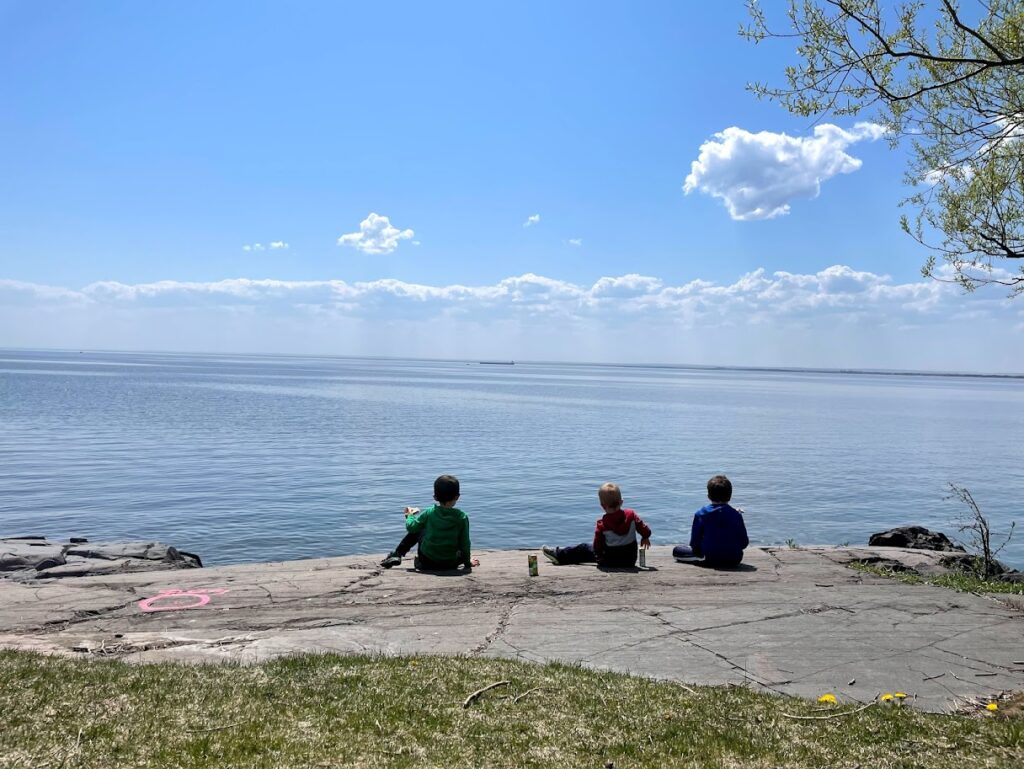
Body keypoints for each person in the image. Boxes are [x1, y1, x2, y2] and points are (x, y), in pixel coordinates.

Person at [380, 474, 478, 572]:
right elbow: (465, 543)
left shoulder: (429, 513)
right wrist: (467, 564)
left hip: (428, 561)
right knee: (458, 544)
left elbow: (411, 528)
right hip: (450, 562)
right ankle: (456, 560)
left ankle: (398, 554)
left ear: (435, 497)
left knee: (419, 528)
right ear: (457, 497)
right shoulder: (462, 517)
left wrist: (409, 516)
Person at [541, 483, 651, 567]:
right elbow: (643, 528)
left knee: (583, 548)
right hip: (629, 560)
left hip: (609, 561)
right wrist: (645, 537)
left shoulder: (602, 524)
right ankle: (561, 555)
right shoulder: (631, 515)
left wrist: (599, 558)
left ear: (602, 506)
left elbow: (597, 546)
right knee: (587, 550)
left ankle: (559, 555)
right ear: (621, 502)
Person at [673, 474, 748, 568]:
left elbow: (694, 544)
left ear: (708, 496)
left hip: (710, 559)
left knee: (677, 550)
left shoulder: (701, 514)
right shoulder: (737, 515)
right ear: (730, 496)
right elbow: (744, 543)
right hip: (734, 559)